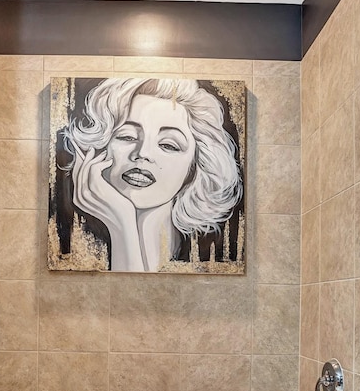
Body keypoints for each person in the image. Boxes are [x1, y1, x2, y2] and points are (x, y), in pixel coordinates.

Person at [61, 77, 243, 272]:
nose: (142, 154)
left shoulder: (216, 258)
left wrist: (123, 229)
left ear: (195, 165)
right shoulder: (68, 247)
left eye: (168, 145)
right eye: (127, 136)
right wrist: (122, 224)